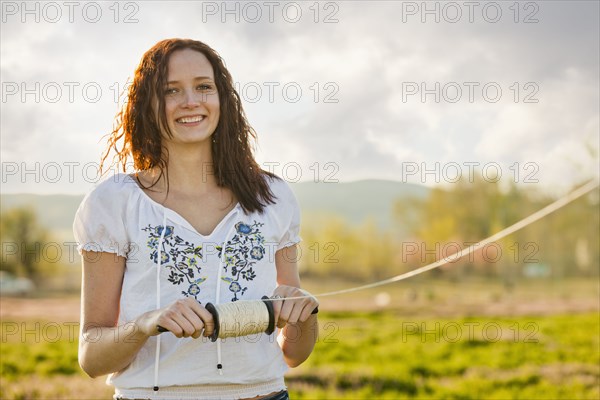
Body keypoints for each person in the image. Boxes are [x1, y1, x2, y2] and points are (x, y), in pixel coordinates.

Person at [73, 38, 319, 400]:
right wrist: (145, 324)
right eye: (171, 90)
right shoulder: (114, 203)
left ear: (223, 99)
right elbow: (92, 357)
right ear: (148, 105)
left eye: (204, 87)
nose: (191, 101)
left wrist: (306, 315)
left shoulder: (273, 196)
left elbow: (294, 353)